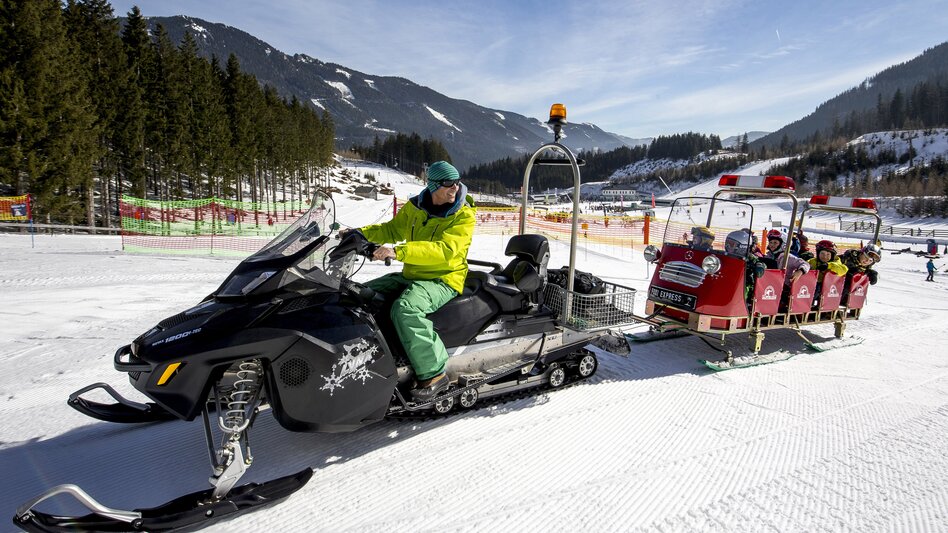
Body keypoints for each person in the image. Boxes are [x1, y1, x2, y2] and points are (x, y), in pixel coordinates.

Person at [346, 161, 476, 402]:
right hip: (413, 275)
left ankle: (434, 374)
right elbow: (392, 229)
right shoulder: (416, 206)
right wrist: (360, 234)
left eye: (457, 184)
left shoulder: (463, 215)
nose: (455, 189)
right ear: (434, 185)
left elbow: (445, 250)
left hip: (443, 279)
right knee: (359, 293)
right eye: (449, 185)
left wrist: (398, 253)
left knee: (405, 309)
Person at [763, 229, 810, 295]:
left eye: (775, 243)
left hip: (785, 288)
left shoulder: (788, 257)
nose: (772, 245)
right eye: (771, 242)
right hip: (770, 285)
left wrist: (800, 271)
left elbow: (805, 264)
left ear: (783, 244)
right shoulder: (769, 256)